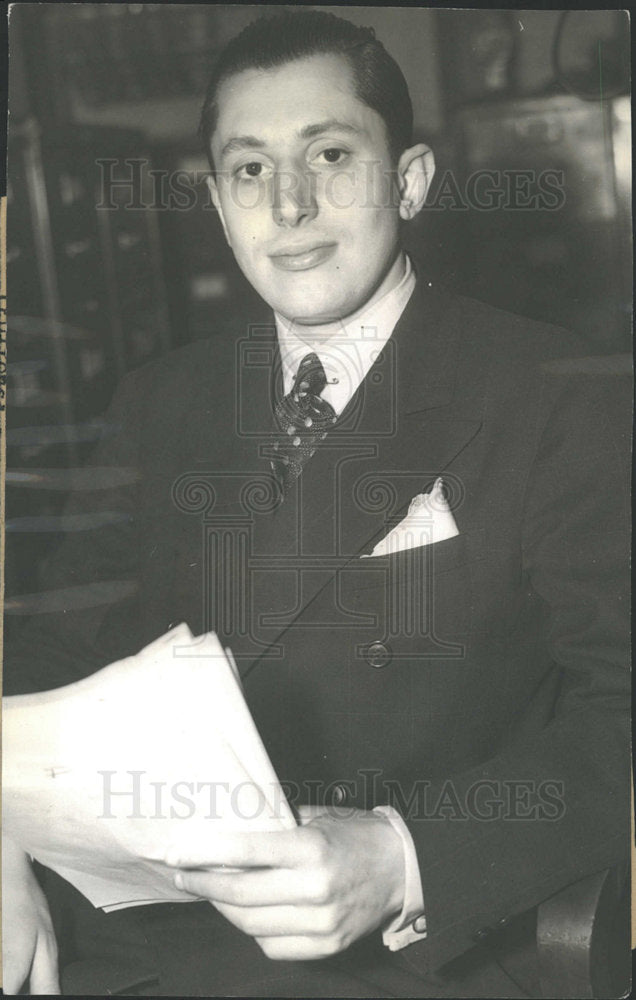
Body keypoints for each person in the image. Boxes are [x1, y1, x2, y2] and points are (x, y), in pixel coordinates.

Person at [3, 10, 630, 998]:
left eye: (330, 154)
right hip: (139, 932)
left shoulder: (558, 388)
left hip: (414, 951)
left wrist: (402, 854)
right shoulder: (159, 400)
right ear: (217, 202)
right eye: (249, 170)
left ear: (411, 180)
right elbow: (44, 651)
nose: (288, 205)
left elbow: (618, 711)